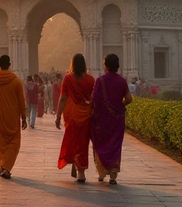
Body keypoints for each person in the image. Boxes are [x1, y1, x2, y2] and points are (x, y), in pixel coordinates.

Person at [91, 53, 133, 185]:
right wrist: (120, 106)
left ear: (106, 65)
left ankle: (102, 172)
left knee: (101, 143)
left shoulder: (100, 80)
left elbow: (94, 100)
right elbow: (129, 99)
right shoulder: (122, 81)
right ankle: (113, 174)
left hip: (103, 119)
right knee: (115, 145)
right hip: (117, 119)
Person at [55, 53, 95, 183]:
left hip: (72, 116)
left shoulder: (68, 79)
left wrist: (58, 115)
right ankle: (81, 171)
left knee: (73, 141)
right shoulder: (90, 80)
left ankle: (77, 166)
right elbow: (93, 99)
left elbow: (63, 98)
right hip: (86, 116)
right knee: (83, 143)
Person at [0, 55, 27, 179]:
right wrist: (24, 117)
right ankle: (5, 167)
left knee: (0, 143)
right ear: (10, 64)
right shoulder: (16, 81)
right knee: (14, 143)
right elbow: (21, 102)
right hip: (13, 117)